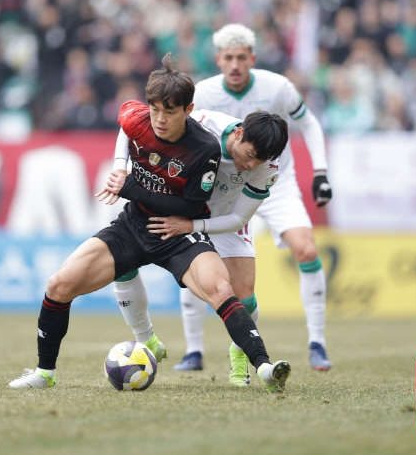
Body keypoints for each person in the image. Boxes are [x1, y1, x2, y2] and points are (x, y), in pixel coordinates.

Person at [8, 53, 291, 392]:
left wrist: (133, 189)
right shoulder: (143, 116)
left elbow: (196, 207)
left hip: (186, 227)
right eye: (155, 109)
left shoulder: (205, 147)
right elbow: (128, 128)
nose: (159, 119)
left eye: (169, 112)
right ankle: (44, 373)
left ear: (186, 112)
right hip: (136, 224)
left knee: (225, 291)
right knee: (58, 285)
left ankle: (262, 368)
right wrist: (119, 166)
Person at [173, 23, 333, 373]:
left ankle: (317, 342)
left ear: (252, 58)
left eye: (241, 58)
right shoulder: (204, 94)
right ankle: (193, 350)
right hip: (217, 189)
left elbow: (311, 125)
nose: (234, 65)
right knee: (190, 259)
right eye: (228, 58)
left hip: (273, 181)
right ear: (218, 59)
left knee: (305, 249)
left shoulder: (278, 87)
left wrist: (320, 171)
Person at [111, 108, 289, 386]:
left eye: (260, 160)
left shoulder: (267, 168)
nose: (251, 165)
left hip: (221, 220)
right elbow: (131, 123)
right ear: (239, 132)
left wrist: (191, 226)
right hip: (173, 208)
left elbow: (239, 218)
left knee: (243, 292)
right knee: (121, 263)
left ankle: (240, 353)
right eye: (251, 155)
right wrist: (120, 165)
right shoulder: (204, 124)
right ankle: (147, 339)